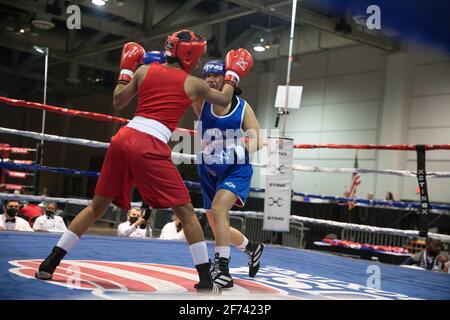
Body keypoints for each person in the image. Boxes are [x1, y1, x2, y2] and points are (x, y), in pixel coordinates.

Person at [35, 29, 253, 295]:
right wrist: (233, 74)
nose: (197, 63)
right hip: (149, 144)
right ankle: (206, 279)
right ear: (188, 54)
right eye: (196, 57)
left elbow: (117, 101)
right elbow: (223, 98)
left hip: (122, 138)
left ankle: (50, 262)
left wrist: (126, 68)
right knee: (185, 210)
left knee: (97, 206)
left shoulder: (143, 71)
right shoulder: (192, 82)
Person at [191, 60, 264, 289]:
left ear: (229, 78)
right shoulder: (201, 101)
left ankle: (222, 269)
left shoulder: (243, 107)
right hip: (208, 168)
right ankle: (251, 247)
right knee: (216, 224)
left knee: (220, 210)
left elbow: (259, 139)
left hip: (235, 168)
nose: (210, 79)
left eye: (216, 75)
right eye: (207, 75)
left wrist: (235, 152)